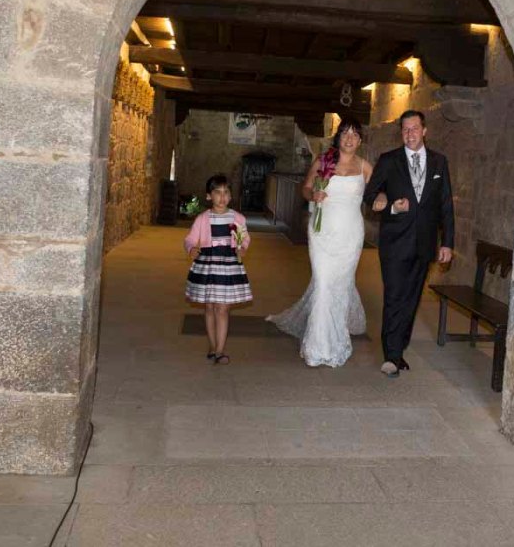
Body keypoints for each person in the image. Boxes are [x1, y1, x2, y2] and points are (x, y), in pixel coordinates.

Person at [267, 118, 373, 367]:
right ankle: (318, 347)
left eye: (354, 135)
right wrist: (313, 194)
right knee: (324, 284)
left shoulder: (365, 167)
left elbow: (378, 191)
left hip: (350, 236)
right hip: (322, 232)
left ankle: (335, 338)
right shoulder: (324, 162)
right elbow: (305, 189)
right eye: (345, 133)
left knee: (340, 286)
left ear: (360, 140)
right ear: (338, 137)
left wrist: (384, 198)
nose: (349, 138)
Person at [364, 110, 454, 378]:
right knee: (394, 296)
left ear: (424, 131)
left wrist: (447, 243)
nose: (410, 133)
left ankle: (398, 347)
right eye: (405, 129)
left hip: (424, 242)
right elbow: (369, 195)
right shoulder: (388, 160)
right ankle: (391, 356)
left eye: (414, 128)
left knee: (412, 300)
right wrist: (390, 205)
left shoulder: (439, 162)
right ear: (401, 133)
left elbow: (446, 205)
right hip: (394, 242)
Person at [184, 174, 251, 365]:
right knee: (210, 307)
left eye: (226, 192)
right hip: (208, 266)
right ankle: (213, 346)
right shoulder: (202, 219)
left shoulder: (237, 218)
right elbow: (190, 239)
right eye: (217, 192)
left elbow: (244, 238)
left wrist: (242, 247)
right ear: (208, 196)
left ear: (231, 195)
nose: (222, 197)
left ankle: (220, 350)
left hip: (229, 267)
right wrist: (191, 248)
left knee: (222, 308)